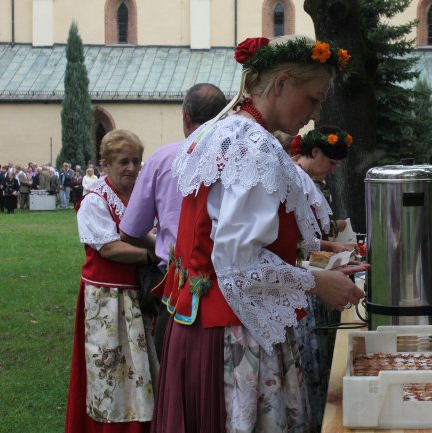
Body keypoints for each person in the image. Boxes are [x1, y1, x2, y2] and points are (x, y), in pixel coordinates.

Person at [152, 35, 367, 433]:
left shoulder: (220, 132)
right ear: (281, 84)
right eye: (314, 99)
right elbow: (237, 262)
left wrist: (311, 262)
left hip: (202, 327)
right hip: (234, 335)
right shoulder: (253, 146)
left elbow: (228, 240)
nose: (315, 113)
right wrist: (316, 282)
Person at [120, 82, 228, 360]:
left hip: (176, 283)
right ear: (225, 116)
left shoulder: (162, 159)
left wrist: (162, 244)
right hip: (230, 285)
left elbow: (131, 231)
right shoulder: (240, 158)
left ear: (185, 119)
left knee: (172, 369)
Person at [65, 129, 159, 433]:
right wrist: (152, 256)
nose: (131, 168)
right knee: (111, 373)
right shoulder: (95, 200)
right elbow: (108, 248)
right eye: (123, 161)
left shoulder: (140, 197)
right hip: (106, 300)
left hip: (139, 297)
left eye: (136, 161)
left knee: (141, 370)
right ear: (106, 164)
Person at [289, 125, 354, 431]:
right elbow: (299, 243)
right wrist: (328, 252)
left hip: (309, 273)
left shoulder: (309, 181)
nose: (331, 171)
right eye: (330, 163)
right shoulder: (296, 180)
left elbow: (311, 238)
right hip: (299, 279)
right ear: (314, 153)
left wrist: (332, 247)